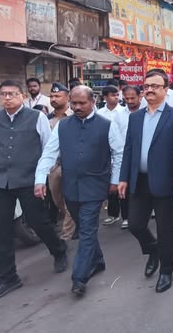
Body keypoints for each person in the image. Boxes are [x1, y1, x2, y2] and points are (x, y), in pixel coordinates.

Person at [35, 86, 123, 297]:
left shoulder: (106, 125)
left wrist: (115, 180)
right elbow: (49, 153)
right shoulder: (63, 126)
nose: (77, 107)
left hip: (95, 186)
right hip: (71, 188)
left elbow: (119, 153)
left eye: (82, 103)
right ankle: (98, 261)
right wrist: (40, 179)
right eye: (73, 103)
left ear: (93, 101)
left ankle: (79, 277)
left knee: (86, 230)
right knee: (84, 227)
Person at [0, 80, 68, 300]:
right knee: (0, 229)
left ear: (22, 96)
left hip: (29, 179)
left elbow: (47, 147)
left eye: (12, 94)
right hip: (1, 181)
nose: (7, 98)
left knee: (38, 221)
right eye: (3, 94)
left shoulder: (36, 117)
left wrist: (43, 176)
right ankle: (8, 277)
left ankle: (58, 250)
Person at [118, 71, 173, 293]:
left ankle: (166, 270)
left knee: (165, 229)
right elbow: (128, 149)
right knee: (135, 224)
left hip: (165, 181)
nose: (150, 90)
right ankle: (152, 250)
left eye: (155, 86)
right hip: (139, 181)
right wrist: (123, 177)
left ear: (166, 89)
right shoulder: (135, 117)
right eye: (147, 86)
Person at [47, 82, 77, 241]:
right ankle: (76, 221)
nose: (54, 99)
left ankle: (65, 236)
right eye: (52, 96)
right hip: (54, 165)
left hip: (72, 164)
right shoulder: (47, 118)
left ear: (67, 98)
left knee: (71, 198)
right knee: (57, 199)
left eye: (57, 96)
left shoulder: (76, 115)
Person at [113, 85, 143, 230]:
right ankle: (126, 216)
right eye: (127, 98)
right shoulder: (118, 115)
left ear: (140, 96)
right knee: (124, 185)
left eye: (133, 98)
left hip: (142, 155)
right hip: (125, 154)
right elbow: (116, 135)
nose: (130, 101)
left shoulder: (146, 112)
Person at [97, 85, 126, 227]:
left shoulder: (124, 112)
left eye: (117, 95)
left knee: (123, 184)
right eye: (113, 95)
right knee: (111, 185)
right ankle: (113, 214)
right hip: (106, 153)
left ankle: (126, 216)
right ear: (105, 97)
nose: (116, 97)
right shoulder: (99, 113)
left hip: (122, 151)